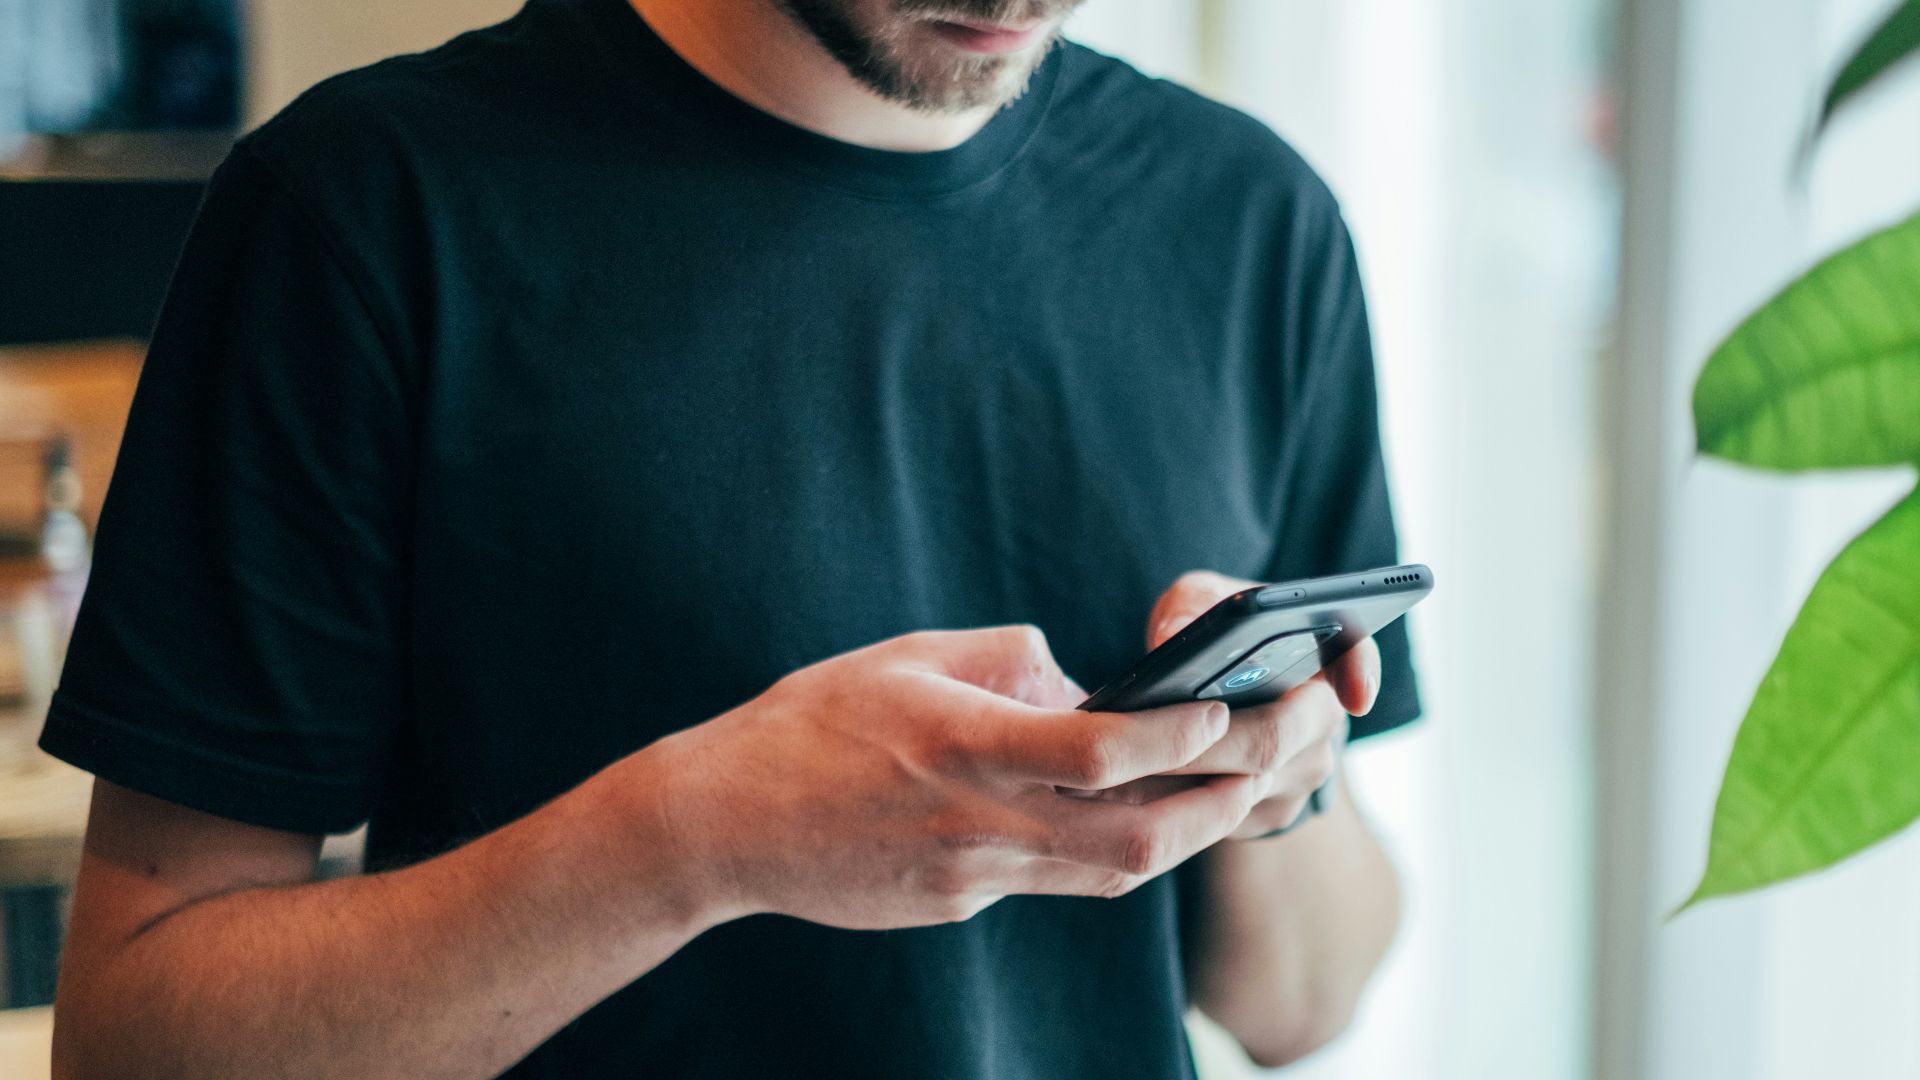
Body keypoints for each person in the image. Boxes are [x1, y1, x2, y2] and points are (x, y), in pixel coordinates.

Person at [40, 0, 1422, 1076]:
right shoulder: (363, 212)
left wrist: (1272, 785)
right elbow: (143, 1044)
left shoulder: (1255, 222)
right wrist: (696, 841)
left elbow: (1301, 1004)